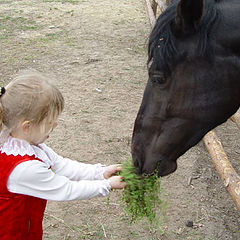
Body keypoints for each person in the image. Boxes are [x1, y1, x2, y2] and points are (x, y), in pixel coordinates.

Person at [0, 69, 126, 240]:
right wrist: (106, 185)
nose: (55, 126)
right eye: (50, 123)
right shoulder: (24, 168)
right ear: (27, 127)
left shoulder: (29, 146)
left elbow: (61, 165)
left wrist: (99, 173)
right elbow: (66, 189)